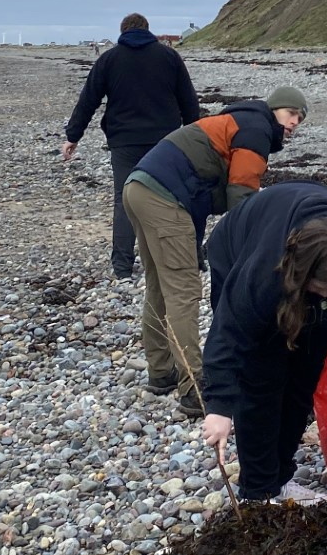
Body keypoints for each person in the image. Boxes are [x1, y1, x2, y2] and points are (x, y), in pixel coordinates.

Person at [120, 86, 308, 412]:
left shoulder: (238, 121)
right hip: (164, 196)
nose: (295, 122)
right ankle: (193, 388)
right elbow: (241, 197)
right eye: (292, 113)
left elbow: (223, 190)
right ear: (275, 108)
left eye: (300, 119)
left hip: (139, 187)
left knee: (160, 287)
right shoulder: (256, 129)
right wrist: (253, 250)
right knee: (184, 290)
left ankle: (161, 372)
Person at [201, 181, 327, 503]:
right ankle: (259, 490)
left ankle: (281, 476)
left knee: (305, 377)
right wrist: (219, 407)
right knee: (262, 378)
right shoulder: (262, 275)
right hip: (237, 247)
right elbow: (229, 334)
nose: (326, 296)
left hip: (302, 266)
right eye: (318, 289)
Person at [61, 14, 200, 280]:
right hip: (165, 142)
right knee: (169, 198)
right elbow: (188, 100)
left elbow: (88, 100)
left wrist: (73, 136)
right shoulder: (169, 58)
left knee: (125, 201)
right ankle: (172, 260)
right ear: (148, 31)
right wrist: (196, 136)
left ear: (122, 31)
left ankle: (122, 267)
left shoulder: (109, 59)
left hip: (124, 142)